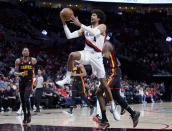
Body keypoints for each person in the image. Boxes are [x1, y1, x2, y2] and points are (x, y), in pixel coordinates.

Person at [56, 9, 116, 116]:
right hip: (87, 53)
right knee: (72, 55)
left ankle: (112, 105)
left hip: (97, 57)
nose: (92, 17)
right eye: (91, 15)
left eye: (94, 15)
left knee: (104, 85)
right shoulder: (85, 28)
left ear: (98, 18)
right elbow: (69, 36)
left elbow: (94, 32)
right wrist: (63, 22)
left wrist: (80, 24)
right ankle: (67, 78)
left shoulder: (102, 26)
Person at [93, 40, 140, 129]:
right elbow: (118, 63)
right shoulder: (101, 50)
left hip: (113, 73)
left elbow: (106, 58)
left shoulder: (106, 44)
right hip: (114, 72)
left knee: (99, 92)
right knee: (116, 96)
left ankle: (104, 120)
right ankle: (134, 113)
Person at [14, 48, 37, 125]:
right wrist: (20, 74)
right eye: (24, 50)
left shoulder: (33, 60)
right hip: (22, 82)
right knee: (23, 100)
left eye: (27, 50)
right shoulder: (18, 61)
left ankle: (29, 113)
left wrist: (36, 80)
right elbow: (15, 73)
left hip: (29, 82)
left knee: (26, 97)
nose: (26, 51)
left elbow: (36, 71)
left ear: (29, 52)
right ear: (22, 52)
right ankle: (25, 116)